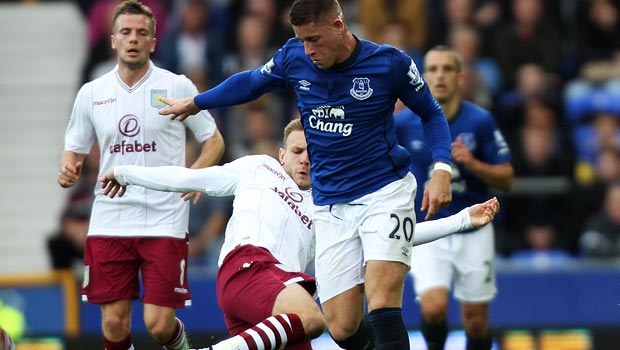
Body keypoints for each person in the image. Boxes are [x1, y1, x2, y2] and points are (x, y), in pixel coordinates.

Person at [154, 1, 454, 348]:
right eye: (301, 39)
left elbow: (431, 114)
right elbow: (252, 82)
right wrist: (197, 102)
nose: (308, 50)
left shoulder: (389, 63)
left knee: (382, 300)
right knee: (341, 327)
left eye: (314, 39)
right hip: (330, 204)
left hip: (384, 191)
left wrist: (442, 169)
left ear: (339, 26)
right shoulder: (293, 56)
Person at [99, 119, 500, 350]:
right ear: (281, 154)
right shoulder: (257, 169)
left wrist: (462, 220)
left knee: (305, 321)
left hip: (271, 304)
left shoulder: (332, 205)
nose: (305, 157)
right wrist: (127, 173)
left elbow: (395, 237)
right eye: (296, 150)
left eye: (313, 151)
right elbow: (187, 177)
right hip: (249, 268)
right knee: (314, 317)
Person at [56, 1, 225, 350]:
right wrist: (68, 167)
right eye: (127, 32)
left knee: (159, 325)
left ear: (153, 41)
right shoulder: (92, 93)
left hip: (164, 216)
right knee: (114, 324)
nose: (134, 39)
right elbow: (74, 148)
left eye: (142, 33)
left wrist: (195, 176)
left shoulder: (177, 86)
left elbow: (214, 140)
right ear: (114, 40)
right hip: (110, 217)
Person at [394, 46, 513, 350]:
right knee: (433, 308)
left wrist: (472, 163)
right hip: (428, 227)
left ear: (460, 78)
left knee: (475, 319)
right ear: (423, 77)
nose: (440, 75)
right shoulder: (404, 123)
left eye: (447, 69)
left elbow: (507, 177)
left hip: (474, 228)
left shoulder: (480, 121)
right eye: (433, 69)